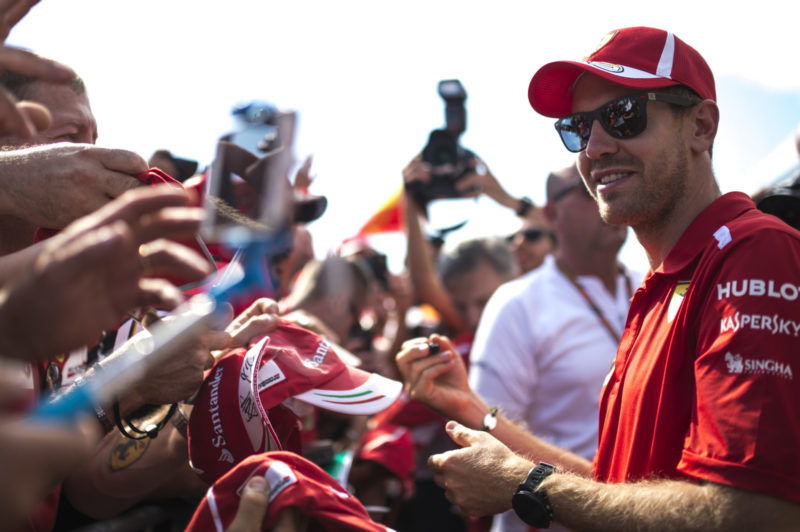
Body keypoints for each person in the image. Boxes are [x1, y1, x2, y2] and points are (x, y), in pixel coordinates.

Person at [397, 26, 800, 530]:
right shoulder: (659, 282)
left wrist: (528, 485)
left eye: (623, 116)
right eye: (578, 128)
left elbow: (753, 514)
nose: (595, 148)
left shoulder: (755, 252)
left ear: (700, 126)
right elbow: (618, 488)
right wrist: (477, 411)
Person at [468, 162, 634, 531]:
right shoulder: (517, 305)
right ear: (552, 214)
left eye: (610, 178)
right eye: (586, 187)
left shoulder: (655, 286)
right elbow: (487, 438)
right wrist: (597, 490)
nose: (604, 191)